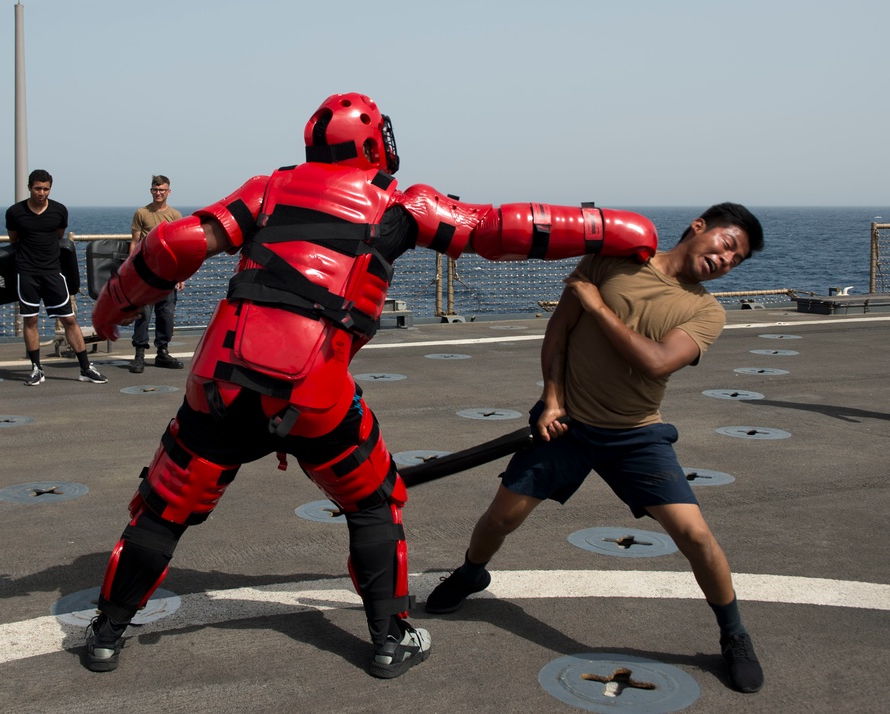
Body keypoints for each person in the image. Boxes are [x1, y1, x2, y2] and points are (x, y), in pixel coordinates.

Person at [86, 92, 657, 678]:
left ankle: (106, 631)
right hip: (312, 393)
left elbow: (173, 243)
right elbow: (496, 229)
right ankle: (389, 637)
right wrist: (611, 229)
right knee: (373, 502)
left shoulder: (266, 189)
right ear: (372, 141)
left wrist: (111, 311)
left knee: (164, 507)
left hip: (221, 385)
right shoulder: (399, 204)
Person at [425, 202, 766, 693]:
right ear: (699, 228)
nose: (725, 260)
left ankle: (734, 634)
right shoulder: (610, 261)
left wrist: (597, 305)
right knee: (501, 517)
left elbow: (655, 363)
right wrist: (551, 398)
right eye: (727, 245)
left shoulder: (706, 311)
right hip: (568, 426)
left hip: (636, 435)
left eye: (736, 261)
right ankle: (471, 573)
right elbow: (559, 330)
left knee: (694, 535)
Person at [5, 169, 108, 386]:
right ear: (30, 187)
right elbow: (13, 240)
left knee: (69, 320)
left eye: (46, 188)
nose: (41, 192)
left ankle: (85, 368)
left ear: (50, 188)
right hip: (27, 274)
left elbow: (59, 236)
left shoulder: (59, 210)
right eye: (37, 188)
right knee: (31, 320)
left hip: (53, 273)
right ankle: (36, 368)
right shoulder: (15, 212)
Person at [127, 175, 185, 374]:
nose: (158, 193)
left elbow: (179, 246)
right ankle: (139, 355)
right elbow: (134, 242)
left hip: (168, 274)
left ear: (168, 191)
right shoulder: (141, 213)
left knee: (166, 314)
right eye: (155, 189)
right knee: (143, 313)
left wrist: (182, 275)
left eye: (162, 190)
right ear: (151, 190)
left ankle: (162, 351)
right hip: (145, 272)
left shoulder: (175, 215)